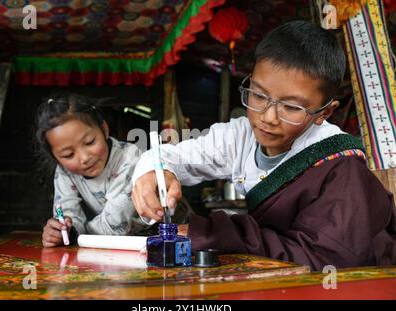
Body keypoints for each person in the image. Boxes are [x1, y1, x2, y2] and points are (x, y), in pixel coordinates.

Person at [131, 20, 396, 271]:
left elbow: (329, 260)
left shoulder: (340, 164)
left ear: (324, 113)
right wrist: (156, 170)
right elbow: (174, 156)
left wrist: (213, 235)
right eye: (258, 95)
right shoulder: (242, 136)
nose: (267, 117)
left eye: (291, 107)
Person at [35, 93, 147, 247]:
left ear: (104, 129)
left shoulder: (130, 158)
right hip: (126, 245)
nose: (84, 158)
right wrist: (63, 231)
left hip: (172, 234)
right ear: (57, 159)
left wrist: (77, 236)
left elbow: (115, 226)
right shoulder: (65, 170)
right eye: (68, 155)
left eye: (89, 142)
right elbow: (68, 213)